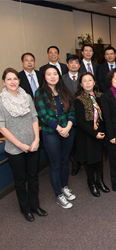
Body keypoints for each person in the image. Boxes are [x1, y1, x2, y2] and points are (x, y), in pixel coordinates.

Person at [0, 68, 47, 222]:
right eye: (9, 79)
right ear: (4, 82)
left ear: (19, 80)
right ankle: (25, 209)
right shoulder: (1, 101)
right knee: (20, 180)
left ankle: (35, 205)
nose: (13, 82)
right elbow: (2, 127)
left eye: (15, 78)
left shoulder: (26, 96)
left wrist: (36, 140)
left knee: (33, 177)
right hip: (15, 148)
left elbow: (34, 118)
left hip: (32, 144)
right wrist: (20, 144)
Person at [35, 65, 76, 209]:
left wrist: (68, 127)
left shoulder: (65, 90)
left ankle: (64, 187)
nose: (52, 76)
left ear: (59, 75)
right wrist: (60, 129)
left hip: (68, 131)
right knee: (55, 164)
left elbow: (72, 110)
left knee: (65, 161)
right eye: (49, 74)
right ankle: (58, 194)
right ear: (44, 77)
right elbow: (43, 116)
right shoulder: (40, 93)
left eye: (55, 73)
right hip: (51, 133)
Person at [74, 72, 110, 197]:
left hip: (101, 131)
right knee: (90, 160)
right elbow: (80, 122)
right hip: (87, 133)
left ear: (94, 82)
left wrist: (104, 131)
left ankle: (100, 181)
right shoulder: (79, 100)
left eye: (90, 80)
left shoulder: (102, 96)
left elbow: (106, 115)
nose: (88, 83)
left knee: (99, 158)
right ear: (81, 84)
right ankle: (91, 183)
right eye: (85, 81)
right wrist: (95, 133)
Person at [62, 54, 83, 176]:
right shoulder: (62, 79)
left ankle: (85, 161)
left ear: (79, 65)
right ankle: (75, 164)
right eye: (71, 62)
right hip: (69, 114)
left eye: (76, 62)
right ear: (67, 65)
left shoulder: (84, 77)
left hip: (83, 113)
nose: (74, 64)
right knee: (73, 142)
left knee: (83, 140)